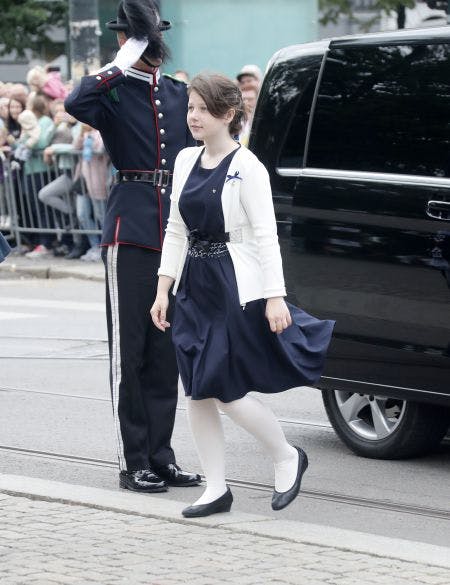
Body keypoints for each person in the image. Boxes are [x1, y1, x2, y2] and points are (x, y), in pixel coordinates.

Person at [151, 73, 335, 518]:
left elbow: (267, 237)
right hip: (193, 283)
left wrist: (275, 296)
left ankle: (286, 455)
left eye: (201, 108)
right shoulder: (184, 160)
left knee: (224, 388)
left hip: (232, 284)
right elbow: (176, 229)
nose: (191, 116)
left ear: (227, 114)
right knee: (196, 390)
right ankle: (215, 488)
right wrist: (163, 288)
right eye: (190, 107)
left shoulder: (247, 167)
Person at [65, 0, 200, 493]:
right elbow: (74, 102)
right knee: (132, 348)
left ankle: (161, 455)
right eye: (142, 39)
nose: (153, 48)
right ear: (126, 42)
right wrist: (118, 65)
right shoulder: (113, 91)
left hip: (175, 230)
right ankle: (133, 459)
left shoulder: (180, 93)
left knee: (165, 352)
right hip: (132, 227)